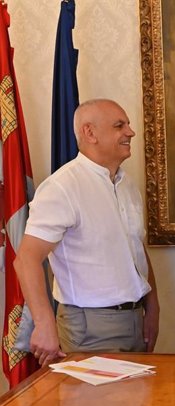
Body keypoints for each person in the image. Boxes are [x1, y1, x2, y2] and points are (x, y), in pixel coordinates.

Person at [14, 99, 161, 366]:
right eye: (120, 125)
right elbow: (26, 259)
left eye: (127, 124)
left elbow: (136, 249)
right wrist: (44, 324)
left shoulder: (127, 185)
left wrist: (153, 307)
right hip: (90, 328)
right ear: (89, 133)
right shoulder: (62, 187)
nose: (131, 132)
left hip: (134, 320)